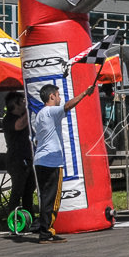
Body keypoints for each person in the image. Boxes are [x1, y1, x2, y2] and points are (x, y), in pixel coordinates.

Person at [32, 80, 95, 242]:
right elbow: (67, 106)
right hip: (51, 162)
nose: (59, 98)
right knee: (53, 199)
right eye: (58, 95)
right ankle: (47, 232)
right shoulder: (51, 111)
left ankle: (44, 229)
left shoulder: (40, 114)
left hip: (40, 160)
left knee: (46, 197)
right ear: (52, 96)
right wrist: (84, 93)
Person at [2, 91, 35, 221]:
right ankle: (13, 217)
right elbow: (19, 125)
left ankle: (29, 218)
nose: (24, 103)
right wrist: (28, 109)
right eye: (22, 101)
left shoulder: (23, 117)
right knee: (18, 189)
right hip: (16, 159)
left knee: (29, 190)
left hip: (28, 157)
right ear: (15, 104)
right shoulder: (9, 119)